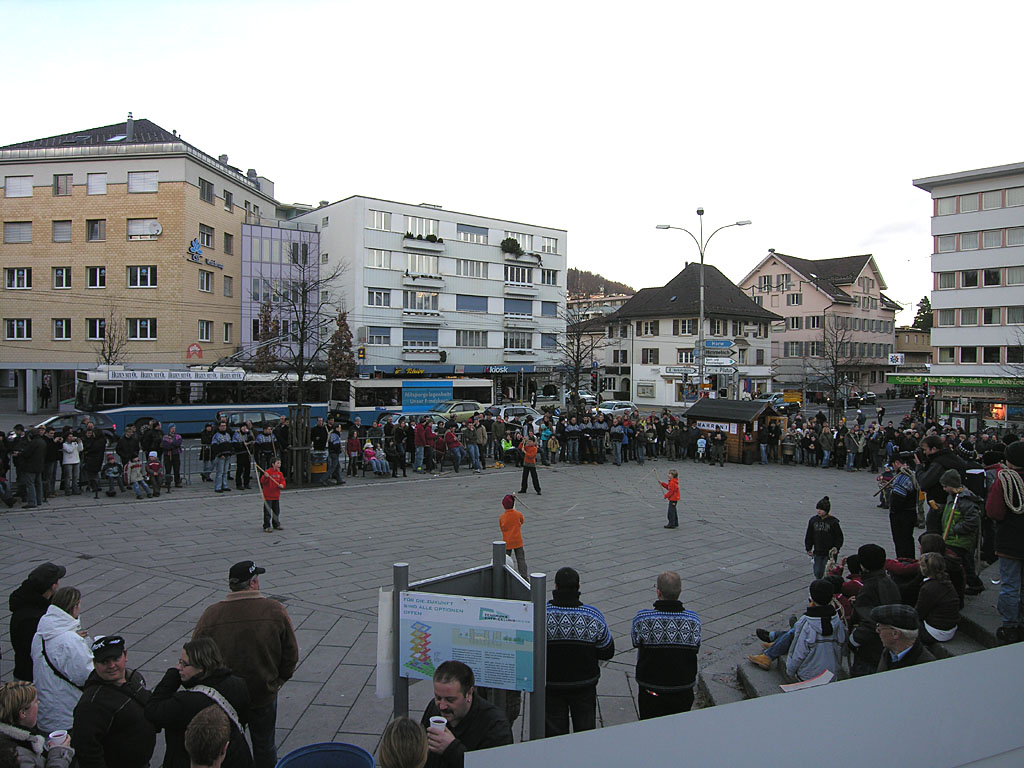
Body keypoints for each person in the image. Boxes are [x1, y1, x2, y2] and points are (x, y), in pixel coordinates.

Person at [192, 561, 298, 768]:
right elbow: (291, 653)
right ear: (253, 583)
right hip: (263, 691)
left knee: (226, 743)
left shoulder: (212, 614)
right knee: (265, 744)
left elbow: (197, 654)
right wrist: (278, 680)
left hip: (224, 696)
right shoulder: (274, 610)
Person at [144, 637, 253, 768]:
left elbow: (152, 711)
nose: (179, 667)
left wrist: (172, 677)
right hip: (234, 757)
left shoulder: (186, 702)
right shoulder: (238, 684)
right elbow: (244, 717)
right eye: (179, 662)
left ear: (201, 667)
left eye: (184, 664)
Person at [544, 567, 614, 736]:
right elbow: (607, 650)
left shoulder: (541, 614)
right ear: (578, 587)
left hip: (551, 684)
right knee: (585, 731)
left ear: (555, 587)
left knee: (554, 734)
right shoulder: (592, 616)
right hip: (584, 685)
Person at [72, 636, 156, 768]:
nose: (111, 666)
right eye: (104, 662)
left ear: (125, 655)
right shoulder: (91, 704)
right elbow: (86, 750)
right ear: (95, 663)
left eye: (116, 659)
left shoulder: (134, 678)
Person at [631, 571, 701, 718]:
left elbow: (636, 642)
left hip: (651, 686)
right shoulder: (693, 620)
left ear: (658, 592)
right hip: (682, 687)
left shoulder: (642, 618)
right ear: (680, 592)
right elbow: (695, 647)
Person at [748, 579, 846, 682]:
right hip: (831, 674)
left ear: (811, 598)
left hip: (808, 675)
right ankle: (776, 639)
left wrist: (790, 670)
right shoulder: (838, 623)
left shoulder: (806, 623)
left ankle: (774, 643)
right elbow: (842, 647)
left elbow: (799, 652)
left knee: (795, 630)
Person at [419, 661, 512, 768]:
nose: (442, 706)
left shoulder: (495, 726)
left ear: (468, 693)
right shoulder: (434, 708)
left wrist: (452, 749)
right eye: (438, 698)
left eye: (450, 700)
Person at [31, 587, 92, 734]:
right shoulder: (70, 640)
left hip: (45, 709)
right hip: (67, 713)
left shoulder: (40, 634)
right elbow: (87, 675)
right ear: (75, 606)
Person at [985, 439, 1024, 644]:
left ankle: (1010, 626)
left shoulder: (1004, 480)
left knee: (1010, 584)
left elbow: (994, 512)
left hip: (1010, 540)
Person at [848, 543, 902, 676]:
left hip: (871, 651)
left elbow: (870, 622)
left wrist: (852, 640)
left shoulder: (869, 587)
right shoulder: (889, 581)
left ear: (863, 565)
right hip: (888, 644)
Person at [9, 562, 65, 682]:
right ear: (53, 586)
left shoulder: (25, 603)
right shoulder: (34, 618)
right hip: (32, 677)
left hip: (25, 670)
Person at [0, 680, 75, 767]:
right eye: (35, 701)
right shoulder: (18, 755)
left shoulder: (20, 740)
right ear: (23, 713)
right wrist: (58, 754)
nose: (39, 703)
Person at [938, 468, 984, 595]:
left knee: (964, 563)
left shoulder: (965, 500)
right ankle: (970, 583)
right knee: (963, 563)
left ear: (952, 485)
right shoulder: (951, 497)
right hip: (952, 537)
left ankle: (974, 584)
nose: (944, 489)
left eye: (945, 486)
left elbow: (973, 521)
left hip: (960, 539)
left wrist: (955, 528)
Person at [872, 604, 936, 671]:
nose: (877, 631)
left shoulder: (926, 665)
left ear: (895, 634)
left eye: (880, 628)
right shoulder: (888, 652)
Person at [915, 552, 960, 645]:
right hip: (950, 628)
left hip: (936, 632)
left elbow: (919, 612)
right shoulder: (946, 581)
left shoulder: (928, 588)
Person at [889, 451, 921, 559]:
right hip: (911, 512)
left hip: (902, 514)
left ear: (897, 463)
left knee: (901, 541)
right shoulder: (912, 474)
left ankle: (904, 561)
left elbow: (898, 498)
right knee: (908, 539)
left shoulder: (902, 477)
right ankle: (909, 560)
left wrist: (893, 510)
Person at [804, 496, 844, 579]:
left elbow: (839, 536)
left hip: (829, 552)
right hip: (818, 551)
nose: (819, 511)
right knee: (817, 571)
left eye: (821, 509)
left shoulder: (833, 522)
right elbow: (809, 535)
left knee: (827, 570)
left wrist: (837, 547)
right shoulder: (813, 520)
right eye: (818, 509)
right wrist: (808, 548)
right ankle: (819, 581)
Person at [498, 494, 527, 579]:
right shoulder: (518, 514)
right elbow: (522, 521)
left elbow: (502, 527)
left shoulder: (502, 517)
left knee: (506, 559)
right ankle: (524, 576)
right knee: (521, 559)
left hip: (507, 541)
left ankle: (506, 574)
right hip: (518, 541)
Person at [258, 459, 286, 533]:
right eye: (278, 463)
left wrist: (282, 485)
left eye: (280, 463)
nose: (279, 465)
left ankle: (276, 524)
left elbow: (282, 481)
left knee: (276, 511)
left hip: (276, 495)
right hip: (268, 496)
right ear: (273, 464)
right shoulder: (268, 472)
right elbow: (262, 481)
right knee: (267, 512)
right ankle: (266, 526)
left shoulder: (280, 473)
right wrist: (265, 477)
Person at [210, 423, 234, 494]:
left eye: (224, 426)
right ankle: (218, 487)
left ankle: (225, 485)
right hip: (221, 456)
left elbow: (230, 445)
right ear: (219, 427)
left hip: (227, 455)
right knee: (220, 472)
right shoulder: (216, 436)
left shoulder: (227, 435)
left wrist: (231, 452)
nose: (223, 427)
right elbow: (214, 446)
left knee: (225, 471)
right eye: (222, 426)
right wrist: (219, 454)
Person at [162, 425, 184, 489]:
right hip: (167, 455)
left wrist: (171, 443)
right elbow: (165, 445)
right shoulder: (165, 437)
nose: (173, 430)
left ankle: (177, 482)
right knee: (168, 469)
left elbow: (178, 443)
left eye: (174, 428)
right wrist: (172, 444)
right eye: (172, 428)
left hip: (176, 454)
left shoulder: (178, 436)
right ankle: (167, 483)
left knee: (176, 469)